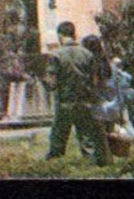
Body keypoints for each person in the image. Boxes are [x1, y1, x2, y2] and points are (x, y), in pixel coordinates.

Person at [44, 22, 108, 165]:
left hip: (65, 103)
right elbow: (94, 81)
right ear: (73, 34)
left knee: (58, 140)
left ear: (60, 35)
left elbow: (52, 84)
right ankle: (90, 168)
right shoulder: (87, 54)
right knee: (86, 139)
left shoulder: (56, 55)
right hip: (84, 102)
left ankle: (56, 168)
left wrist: (45, 82)